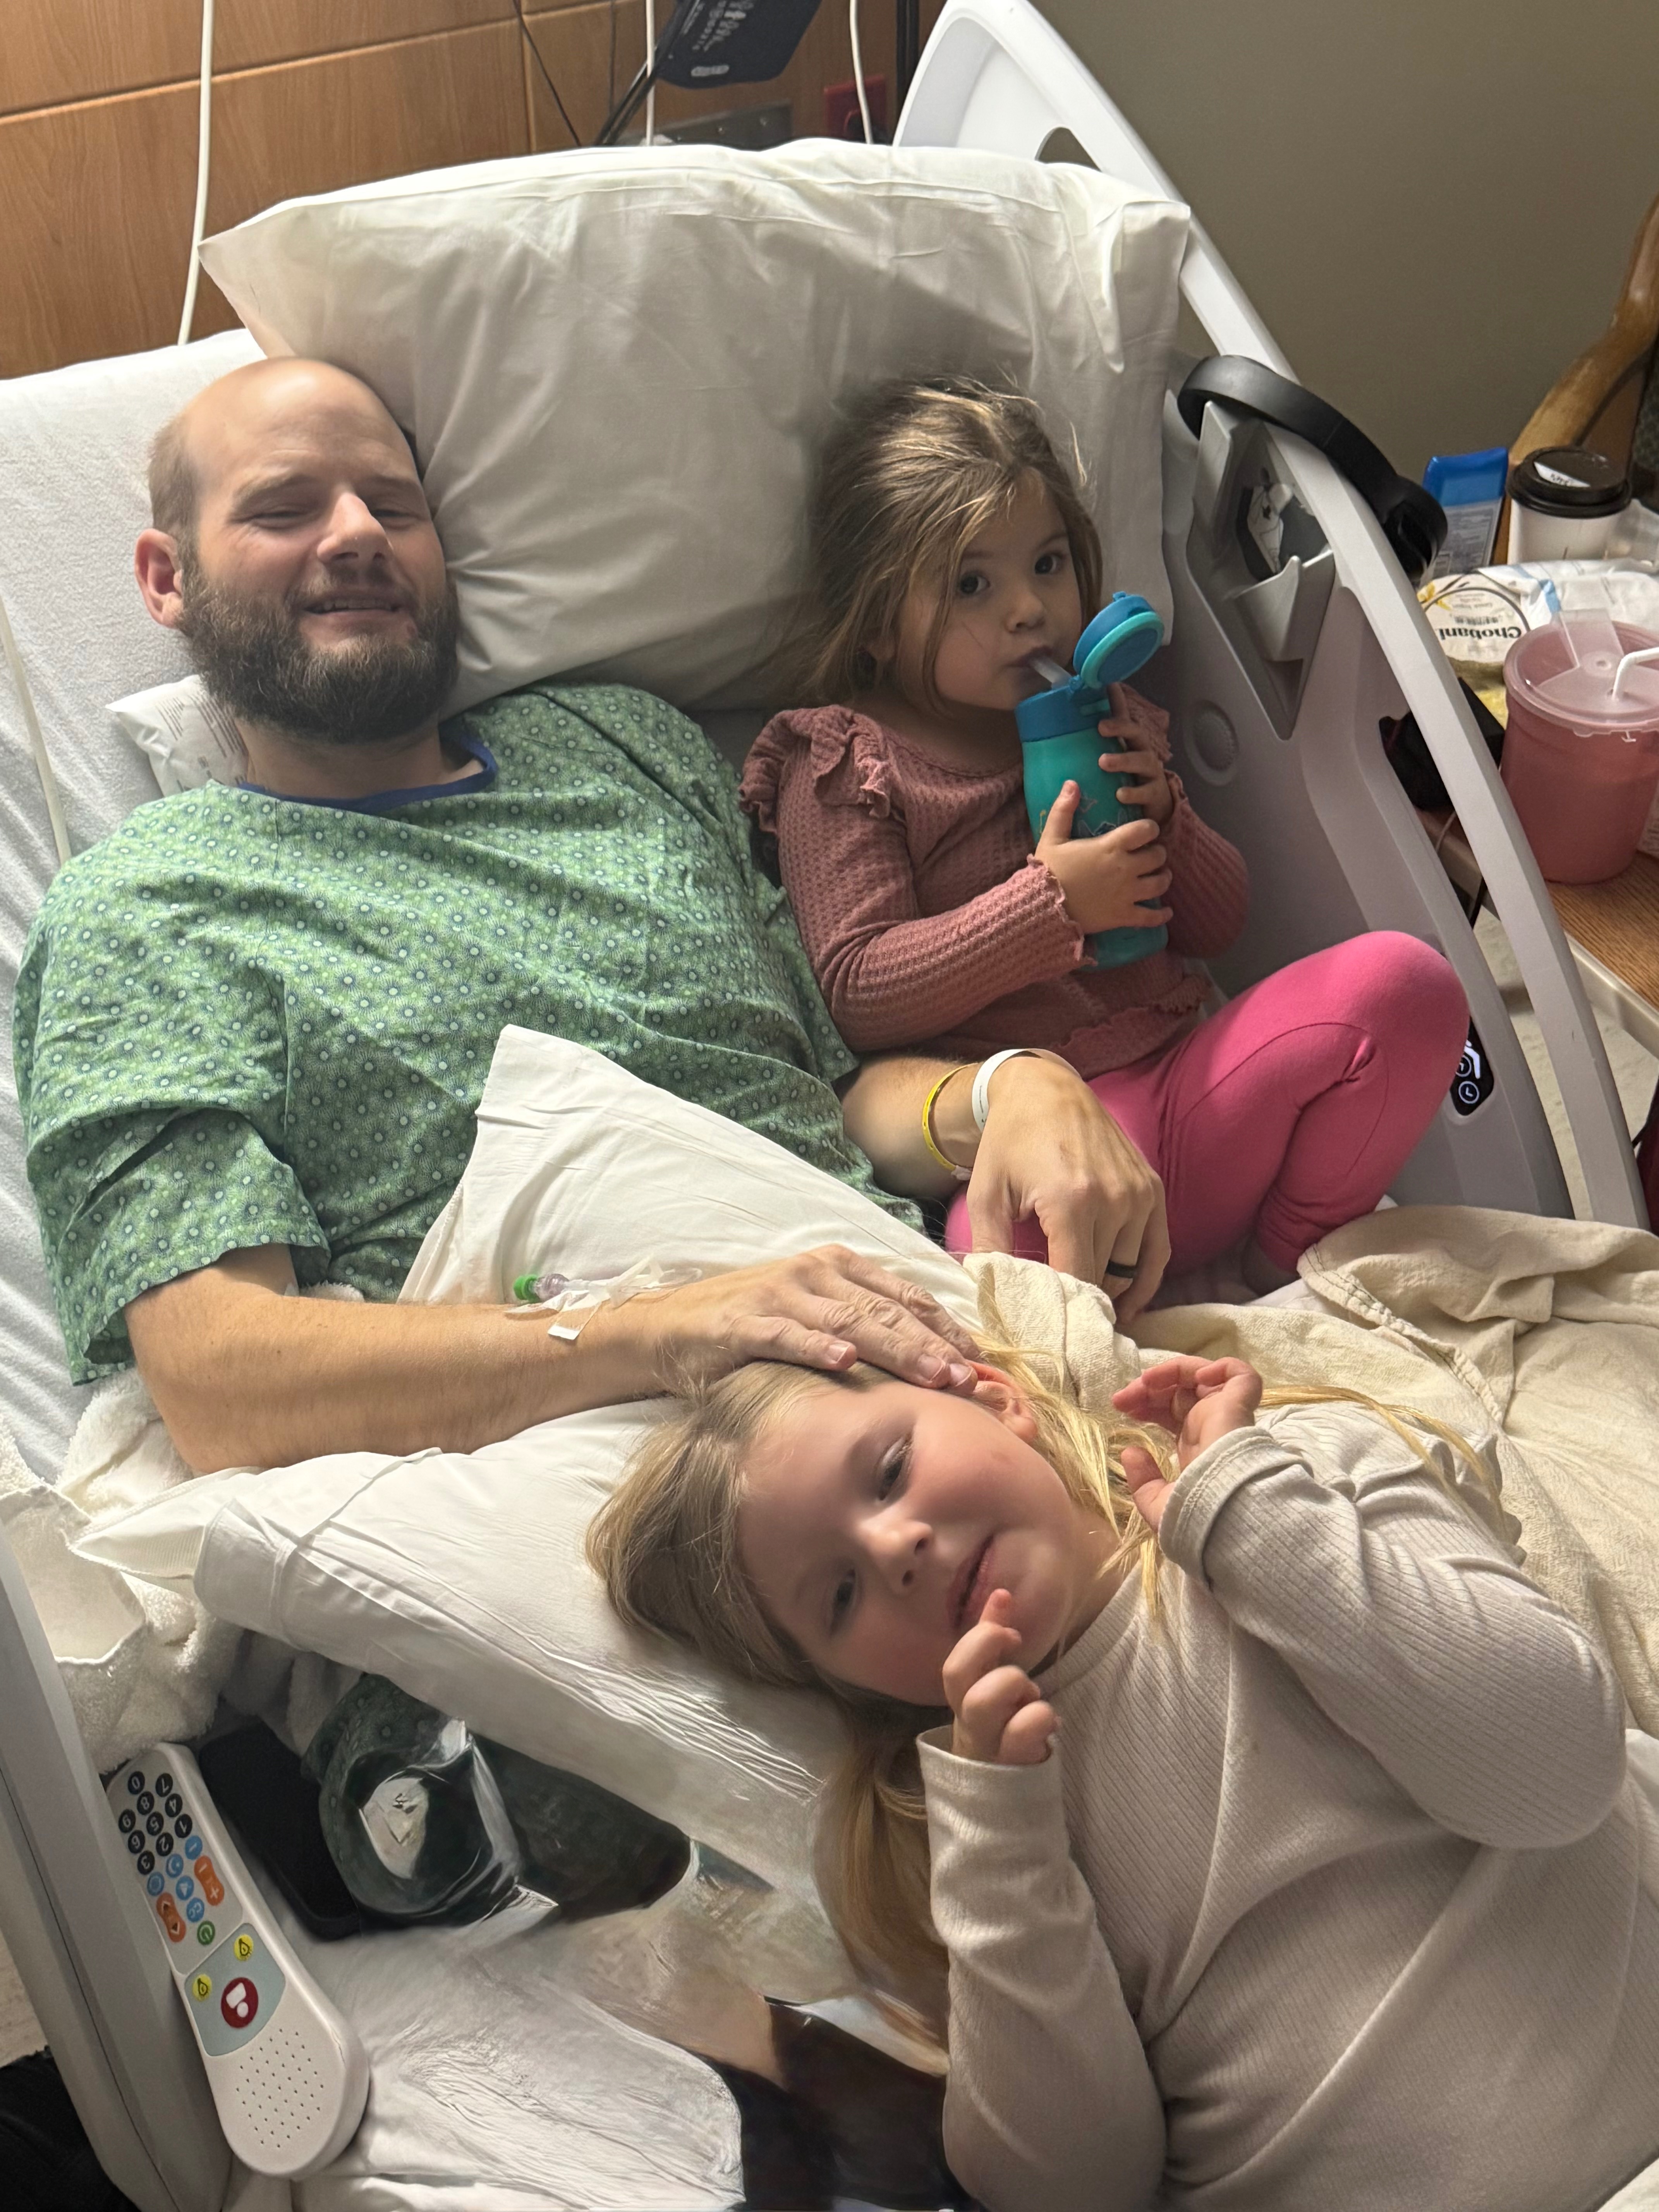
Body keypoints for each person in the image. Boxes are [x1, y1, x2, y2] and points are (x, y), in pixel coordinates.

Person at [13, 356, 1175, 1473]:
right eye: (283, 508)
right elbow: (222, 1381)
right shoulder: (149, 906)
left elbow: (833, 1093)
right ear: (167, 578)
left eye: (394, 506)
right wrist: (664, 1330)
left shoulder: (623, 744)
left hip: (908, 1348)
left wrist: (1005, 1092)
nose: (358, 532)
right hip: (589, 1464)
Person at [590, 1339, 1659, 2212]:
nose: (895, 1547)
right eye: (838, 1597)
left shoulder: (1297, 1474)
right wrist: (1002, 1847)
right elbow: (1072, 2190)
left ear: (995, 1398)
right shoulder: (946, 1820)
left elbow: (1557, 1770)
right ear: (847, 1685)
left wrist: (1252, 1517)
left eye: (889, 1471)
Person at [740, 377, 1470, 1298]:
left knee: (1407, 985)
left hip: (1198, 1085)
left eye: (1048, 564)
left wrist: (1167, 818)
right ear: (880, 623)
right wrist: (1048, 907)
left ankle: (1285, 1263)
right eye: (972, 584)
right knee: (1002, 1249)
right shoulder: (851, 760)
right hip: (1054, 1139)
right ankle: (1118, 1294)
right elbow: (859, 989)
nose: (1029, 608)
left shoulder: (1109, 713)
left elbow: (1220, 925)